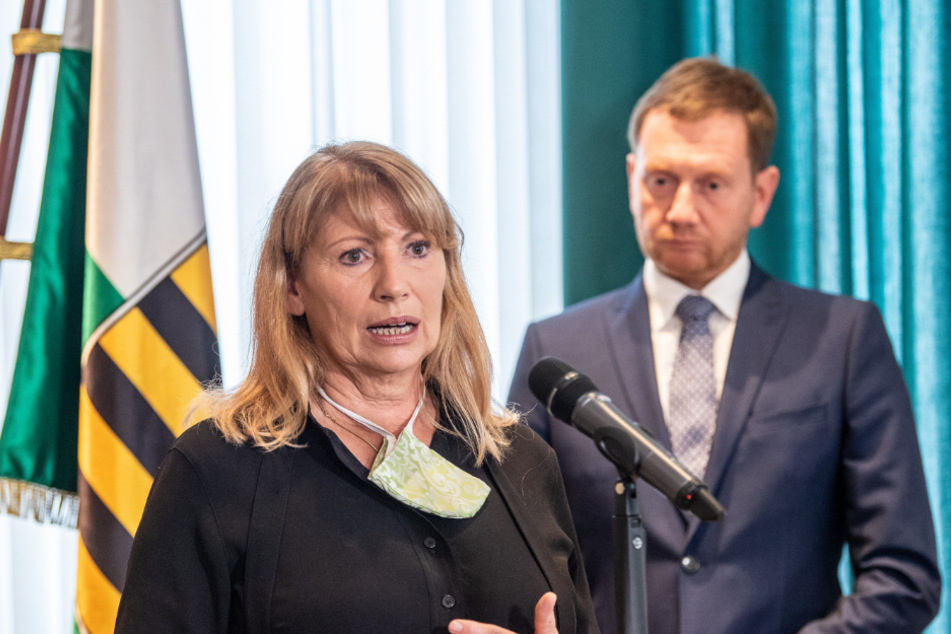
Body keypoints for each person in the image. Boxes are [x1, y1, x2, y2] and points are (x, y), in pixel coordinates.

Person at [508, 57, 941, 634]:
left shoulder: (842, 338)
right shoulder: (555, 351)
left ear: (761, 194)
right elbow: (523, 558)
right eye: (661, 181)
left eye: (711, 184)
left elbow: (904, 576)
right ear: (632, 178)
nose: (681, 210)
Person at [115, 141, 599, 634]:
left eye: (417, 249)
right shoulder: (216, 471)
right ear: (293, 288)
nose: (394, 284)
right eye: (354, 256)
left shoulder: (522, 462)